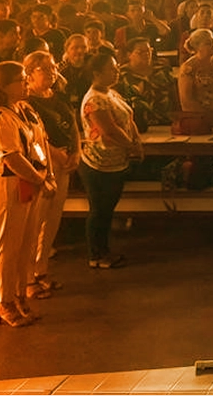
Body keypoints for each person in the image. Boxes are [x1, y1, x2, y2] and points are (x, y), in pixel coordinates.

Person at [0, 61, 54, 327]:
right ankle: (4, 301)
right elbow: (12, 157)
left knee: (25, 246)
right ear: (3, 85)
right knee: (7, 247)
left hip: (31, 182)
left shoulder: (25, 109)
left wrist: (49, 174)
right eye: (21, 79)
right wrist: (39, 179)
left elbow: (40, 142)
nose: (26, 83)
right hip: (8, 185)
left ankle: (20, 295)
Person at [22, 50, 80, 299]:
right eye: (44, 69)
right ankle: (27, 277)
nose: (51, 73)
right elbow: (35, 135)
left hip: (65, 161)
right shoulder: (27, 102)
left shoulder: (59, 96)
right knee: (35, 221)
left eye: (53, 67)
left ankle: (42, 269)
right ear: (29, 73)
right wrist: (54, 154)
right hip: (42, 164)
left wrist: (77, 151)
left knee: (53, 219)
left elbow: (73, 122)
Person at [79, 49, 142, 268]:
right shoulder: (94, 100)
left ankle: (104, 251)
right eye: (111, 69)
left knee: (107, 210)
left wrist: (136, 142)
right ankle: (96, 254)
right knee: (99, 210)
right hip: (99, 163)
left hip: (116, 161)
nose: (116, 72)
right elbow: (109, 131)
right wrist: (131, 146)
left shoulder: (110, 93)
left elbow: (128, 118)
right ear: (96, 73)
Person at [176, 27, 213, 125]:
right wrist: (208, 117)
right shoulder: (188, 68)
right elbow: (186, 100)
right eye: (208, 43)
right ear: (197, 46)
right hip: (200, 121)